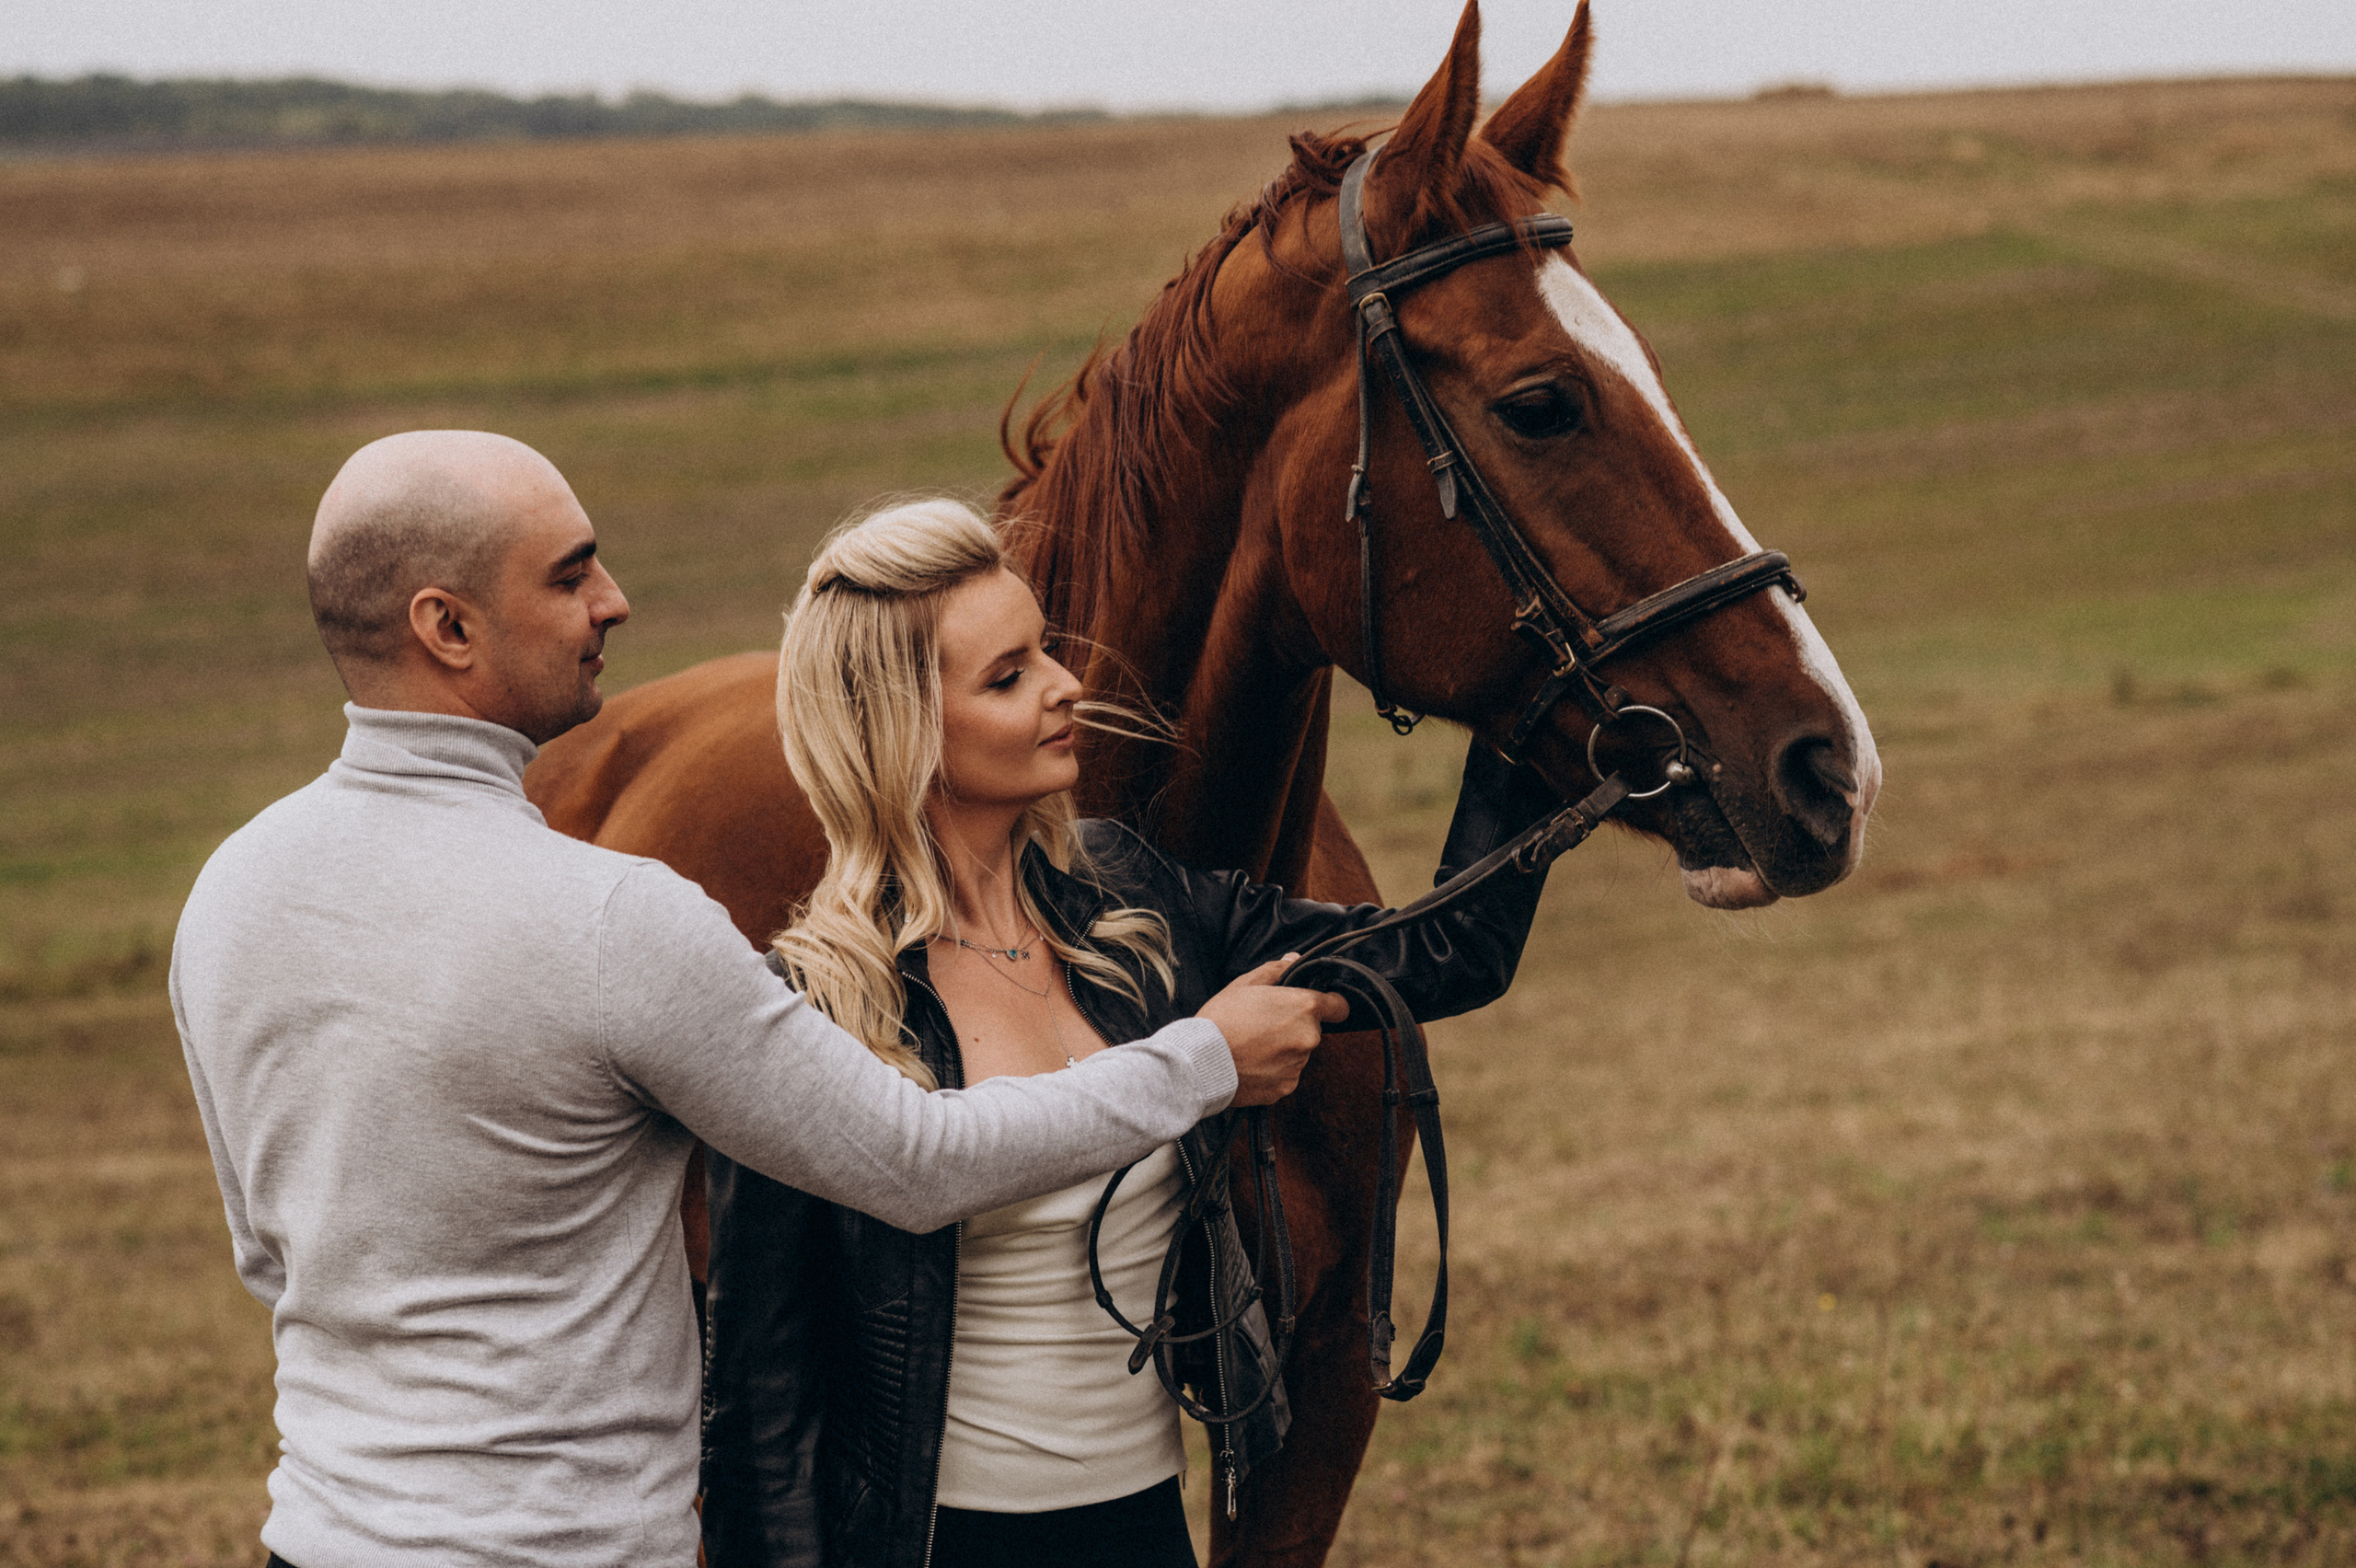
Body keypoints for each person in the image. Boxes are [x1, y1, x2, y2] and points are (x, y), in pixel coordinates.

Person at [168, 432, 1343, 1568]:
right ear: (448, 626)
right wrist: (1198, 1063)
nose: (615, 601)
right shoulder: (614, 919)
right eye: (571, 574)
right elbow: (918, 1162)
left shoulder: (231, 894)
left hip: (319, 1539)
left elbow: (269, 1252)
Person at [699, 499, 1565, 1568]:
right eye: (1008, 677)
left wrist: (1535, 714)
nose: (1068, 687)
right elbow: (755, 1401)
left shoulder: (1129, 900)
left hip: (1146, 1526)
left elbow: (1443, 954)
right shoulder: (812, 1001)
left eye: (1045, 653)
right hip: (935, 1545)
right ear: (903, 735)